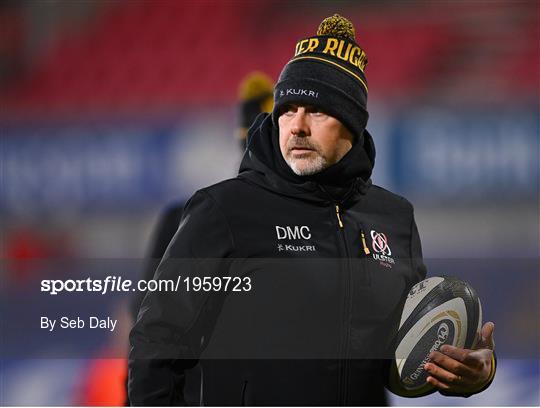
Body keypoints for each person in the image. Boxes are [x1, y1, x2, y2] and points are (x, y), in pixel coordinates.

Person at [129, 15, 495, 406]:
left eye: (317, 111)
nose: (297, 126)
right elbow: (158, 340)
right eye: (287, 110)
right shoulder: (223, 209)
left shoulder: (395, 218)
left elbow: (401, 353)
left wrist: (474, 370)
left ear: (351, 125)